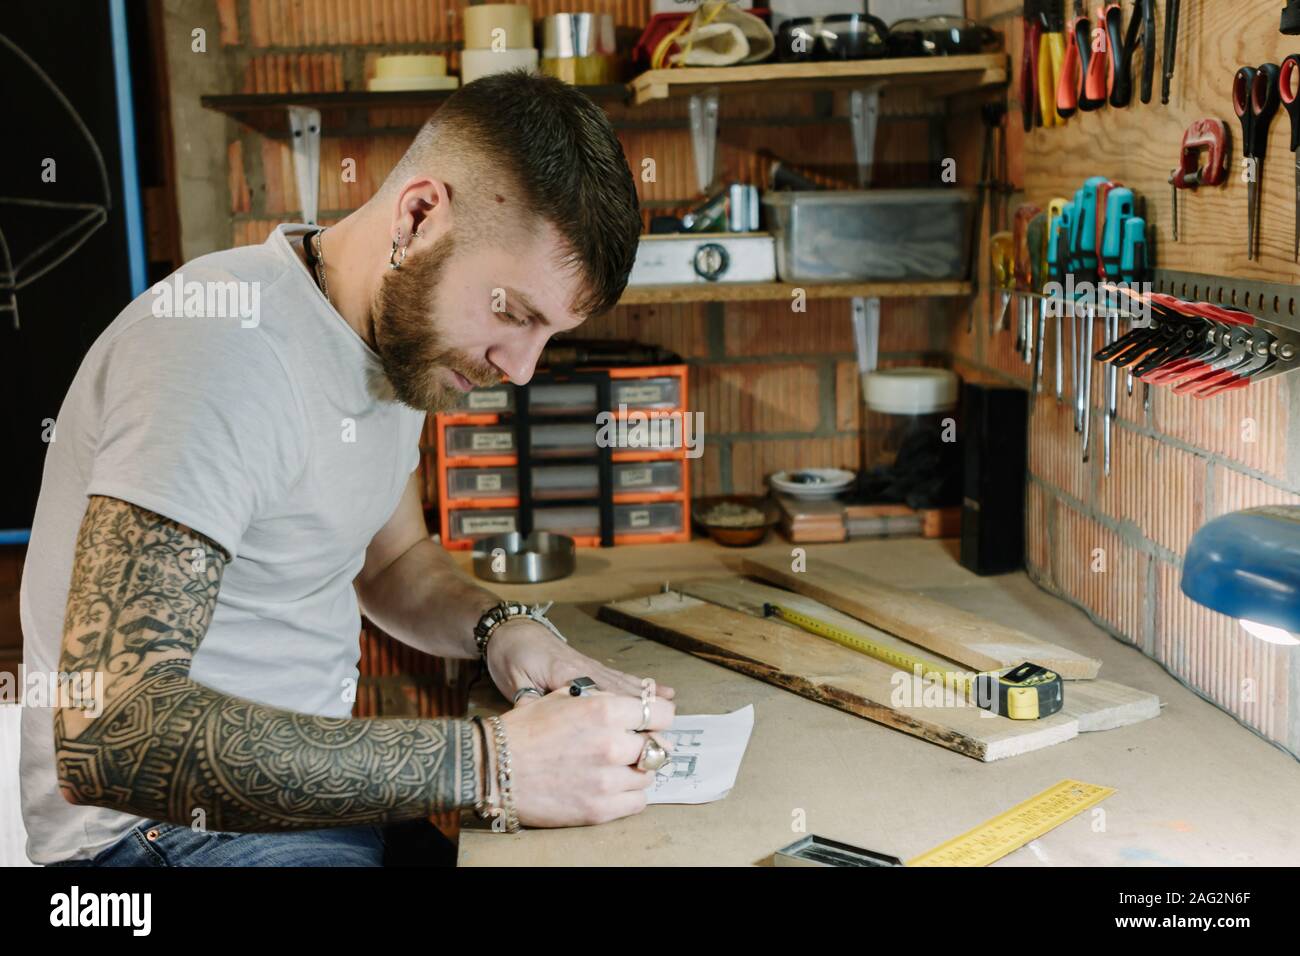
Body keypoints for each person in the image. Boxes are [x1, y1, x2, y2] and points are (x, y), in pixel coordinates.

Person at [19, 69, 675, 867]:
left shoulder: (392, 343)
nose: (524, 367)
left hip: (304, 813)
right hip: (154, 836)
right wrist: (493, 763)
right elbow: (113, 738)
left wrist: (504, 631)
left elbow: (392, 561)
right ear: (420, 215)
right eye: (511, 311)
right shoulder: (214, 354)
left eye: (550, 334)